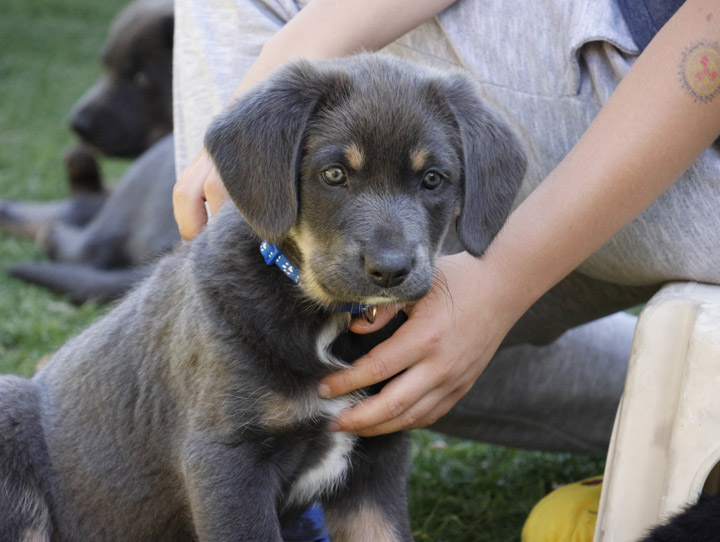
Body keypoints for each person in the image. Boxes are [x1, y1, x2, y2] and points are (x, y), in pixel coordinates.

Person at [172, 0, 720, 452]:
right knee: (391, 367)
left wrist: (502, 282)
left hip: (653, 102)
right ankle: (691, 414)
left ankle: (231, 376)